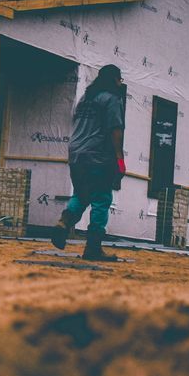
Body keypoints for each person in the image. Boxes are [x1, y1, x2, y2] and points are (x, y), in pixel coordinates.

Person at [49, 63, 127, 261]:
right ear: (115, 80)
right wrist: (119, 158)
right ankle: (93, 248)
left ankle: (64, 223)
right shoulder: (112, 99)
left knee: (82, 194)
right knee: (101, 198)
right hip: (97, 155)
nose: (121, 83)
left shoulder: (86, 99)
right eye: (120, 79)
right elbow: (115, 130)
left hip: (76, 154)